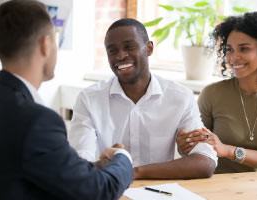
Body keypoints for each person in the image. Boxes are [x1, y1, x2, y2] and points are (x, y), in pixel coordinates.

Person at [0, 1, 133, 200]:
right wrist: (123, 158)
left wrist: (94, 167)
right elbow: (98, 191)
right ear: (45, 45)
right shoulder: (36, 121)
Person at [69, 18, 217, 179]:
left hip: (160, 191)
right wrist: (103, 165)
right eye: (112, 51)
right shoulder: (89, 99)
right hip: (108, 190)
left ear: (149, 48)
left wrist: (131, 172)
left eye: (129, 47)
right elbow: (81, 162)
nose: (120, 55)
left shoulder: (180, 97)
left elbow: (205, 162)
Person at [177, 11, 257, 174]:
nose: (234, 57)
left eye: (244, 49)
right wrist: (186, 146)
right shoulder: (212, 94)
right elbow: (199, 150)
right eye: (229, 50)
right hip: (217, 184)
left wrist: (227, 150)